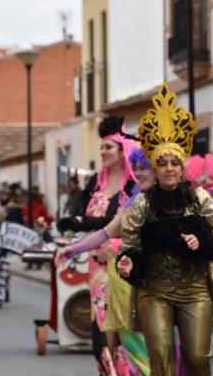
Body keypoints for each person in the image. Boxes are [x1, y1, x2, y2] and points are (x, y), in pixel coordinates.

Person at [116, 84, 213, 376]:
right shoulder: (142, 205)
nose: (169, 168)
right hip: (154, 291)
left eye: (174, 163)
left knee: (196, 359)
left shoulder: (200, 198)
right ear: (155, 169)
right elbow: (130, 244)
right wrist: (127, 261)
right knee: (162, 362)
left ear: (182, 169)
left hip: (194, 289)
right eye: (162, 163)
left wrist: (201, 242)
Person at [56, 147, 155, 376]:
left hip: (162, 288)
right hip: (128, 284)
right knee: (133, 348)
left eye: (145, 168)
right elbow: (106, 233)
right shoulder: (134, 202)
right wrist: (72, 250)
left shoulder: (176, 204)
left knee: (162, 350)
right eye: (137, 168)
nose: (139, 173)